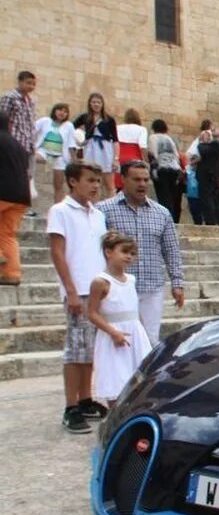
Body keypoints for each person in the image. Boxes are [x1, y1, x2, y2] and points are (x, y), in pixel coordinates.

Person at [46, 160, 108, 433]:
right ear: (72, 181)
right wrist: (70, 289)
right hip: (78, 288)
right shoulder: (60, 211)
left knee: (90, 349)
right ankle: (71, 406)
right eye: (90, 180)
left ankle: (86, 398)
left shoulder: (97, 214)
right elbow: (58, 251)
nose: (95, 186)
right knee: (75, 350)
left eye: (97, 181)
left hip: (97, 288)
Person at [97, 160, 185, 346]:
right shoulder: (103, 210)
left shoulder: (162, 213)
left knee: (150, 340)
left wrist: (177, 282)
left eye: (146, 180)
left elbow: (171, 249)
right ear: (123, 179)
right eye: (136, 179)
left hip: (151, 287)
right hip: (117, 288)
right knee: (122, 341)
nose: (142, 184)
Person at [87, 231, 153, 408]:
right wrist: (112, 332)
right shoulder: (101, 282)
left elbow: (134, 310)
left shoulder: (131, 280)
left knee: (138, 376)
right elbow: (92, 313)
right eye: (124, 252)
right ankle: (116, 415)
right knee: (116, 376)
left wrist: (142, 333)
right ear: (109, 252)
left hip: (134, 332)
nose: (129, 257)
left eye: (132, 254)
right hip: (113, 334)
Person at [0, 113, 32, 285]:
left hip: (3, 192)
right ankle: (11, 274)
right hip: (21, 196)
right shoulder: (18, 146)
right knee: (7, 234)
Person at [74, 92, 118, 199]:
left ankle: (111, 207)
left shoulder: (109, 119)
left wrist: (116, 158)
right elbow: (70, 127)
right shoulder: (85, 117)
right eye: (93, 102)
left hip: (105, 149)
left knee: (109, 183)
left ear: (102, 104)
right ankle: (94, 206)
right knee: (92, 179)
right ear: (90, 103)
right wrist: (79, 142)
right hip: (90, 149)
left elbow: (115, 140)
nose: (96, 104)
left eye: (98, 102)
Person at [1, 72, 37, 197]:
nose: (31, 86)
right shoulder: (9, 97)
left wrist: (33, 142)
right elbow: (3, 118)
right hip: (14, 141)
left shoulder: (30, 101)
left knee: (26, 174)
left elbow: (31, 122)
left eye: (33, 84)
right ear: (20, 81)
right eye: (28, 83)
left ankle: (24, 202)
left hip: (27, 143)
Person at [33, 102, 75, 203]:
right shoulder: (45, 121)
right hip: (44, 151)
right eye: (60, 110)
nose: (62, 113)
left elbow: (71, 143)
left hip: (60, 156)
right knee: (32, 158)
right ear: (55, 111)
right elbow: (31, 130)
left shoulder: (68, 126)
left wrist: (73, 160)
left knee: (58, 185)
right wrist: (32, 147)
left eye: (65, 111)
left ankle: (57, 207)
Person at [148, 119, 182, 222]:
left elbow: (153, 153)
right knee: (171, 197)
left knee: (163, 196)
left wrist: (153, 168)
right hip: (174, 169)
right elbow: (176, 155)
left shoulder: (153, 137)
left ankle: (166, 220)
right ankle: (171, 218)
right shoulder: (169, 139)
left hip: (162, 169)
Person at [192, 129, 219, 225]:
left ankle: (211, 222)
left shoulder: (216, 145)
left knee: (207, 200)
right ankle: (215, 222)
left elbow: (202, 150)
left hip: (208, 177)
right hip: (212, 177)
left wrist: (202, 142)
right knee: (212, 200)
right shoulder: (217, 146)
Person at [114, 108, 148, 191]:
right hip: (134, 158)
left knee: (119, 184)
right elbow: (143, 146)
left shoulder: (117, 128)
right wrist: (146, 161)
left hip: (120, 157)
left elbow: (114, 143)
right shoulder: (141, 129)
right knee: (133, 184)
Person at [185, 155, 204, 225]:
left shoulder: (201, 172)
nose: (193, 165)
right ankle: (197, 224)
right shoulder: (188, 170)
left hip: (199, 195)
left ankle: (199, 225)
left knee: (199, 213)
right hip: (191, 195)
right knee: (193, 212)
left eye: (195, 163)